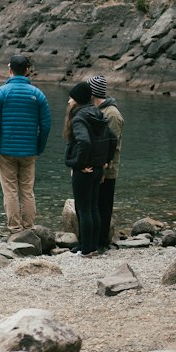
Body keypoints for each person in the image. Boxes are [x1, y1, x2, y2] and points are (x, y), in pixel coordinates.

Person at [0, 54, 52, 233]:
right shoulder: (38, 94)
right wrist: (39, 147)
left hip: (6, 150)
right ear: (27, 70)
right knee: (27, 191)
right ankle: (29, 228)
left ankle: (15, 229)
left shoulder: (0, 93)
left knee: (10, 191)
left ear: (9, 69)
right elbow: (45, 126)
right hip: (29, 151)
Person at [64, 80, 116, 257]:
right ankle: (91, 247)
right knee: (93, 208)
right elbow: (112, 139)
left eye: (71, 98)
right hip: (97, 169)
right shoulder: (98, 114)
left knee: (83, 209)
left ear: (77, 100)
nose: (68, 102)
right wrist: (103, 162)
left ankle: (86, 250)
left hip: (84, 171)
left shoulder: (79, 118)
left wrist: (79, 163)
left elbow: (84, 142)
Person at [88, 73, 123, 248]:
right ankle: (94, 239)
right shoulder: (99, 111)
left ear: (93, 92)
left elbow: (111, 144)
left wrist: (103, 167)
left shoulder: (112, 114)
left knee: (103, 205)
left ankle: (102, 242)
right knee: (95, 204)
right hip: (98, 167)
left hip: (107, 169)